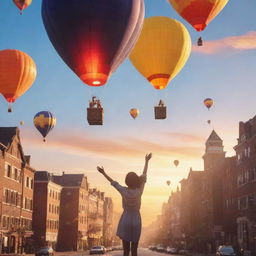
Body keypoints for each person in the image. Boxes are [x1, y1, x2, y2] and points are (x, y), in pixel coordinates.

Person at [97, 153, 152, 256]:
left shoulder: (123, 190)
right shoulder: (140, 190)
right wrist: (146, 161)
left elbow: (113, 182)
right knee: (134, 250)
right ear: (136, 180)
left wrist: (103, 173)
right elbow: (144, 174)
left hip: (126, 219)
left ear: (127, 181)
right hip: (136, 219)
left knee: (126, 250)